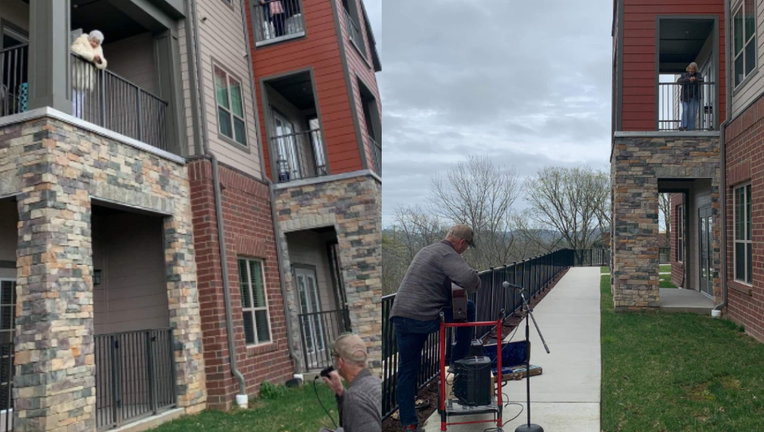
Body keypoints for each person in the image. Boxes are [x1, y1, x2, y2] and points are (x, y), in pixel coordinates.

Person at [389, 224, 482, 432]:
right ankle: (458, 360)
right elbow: (472, 282)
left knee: (406, 369)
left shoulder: (427, 250)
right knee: (469, 307)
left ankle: (410, 425)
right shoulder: (447, 254)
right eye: (466, 247)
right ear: (462, 243)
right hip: (423, 317)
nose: (464, 250)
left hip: (400, 315)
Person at [321, 333, 381, 432]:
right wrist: (341, 392)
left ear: (340, 362)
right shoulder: (375, 382)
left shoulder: (356, 398)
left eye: (334, 355)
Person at [70, 30, 107, 119]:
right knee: (74, 99)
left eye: (97, 43)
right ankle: (73, 118)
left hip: (87, 79)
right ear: (89, 38)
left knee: (80, 100)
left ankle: (77, 118)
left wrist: (99, 61)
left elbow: (103, 62)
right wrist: (91, 57)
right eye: (93, 41)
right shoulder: (81, 40)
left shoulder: (99, 49)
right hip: (78, 75)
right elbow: (75, 49)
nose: (94, 44)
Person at [677, 62, 703, 131]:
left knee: (692, 114)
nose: (691, 70)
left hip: (694, 96)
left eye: (693, 69)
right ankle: (683, 126)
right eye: (690, 69)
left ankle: (690, 128)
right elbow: (679, 81)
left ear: (695, 69)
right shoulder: (684, 75)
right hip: (685, 97)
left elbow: (701, 81)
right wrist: (688, 80)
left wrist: (695, 79)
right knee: (685, 110)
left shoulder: (698, 75)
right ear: (688, 69)